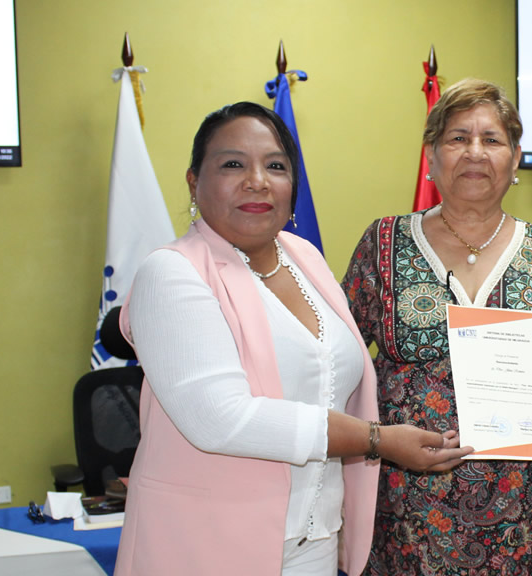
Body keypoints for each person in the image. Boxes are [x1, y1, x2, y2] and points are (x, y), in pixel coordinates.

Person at [113, 102, 470, 576]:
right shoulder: (173, 271)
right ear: (193, 182)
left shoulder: (304, 257)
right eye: (233, 164)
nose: (257, 180)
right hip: (207, 543)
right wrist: (377, 440)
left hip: (314, 541)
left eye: (275, 166)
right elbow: (220, 419)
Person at [343, 78, 532, 575]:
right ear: (431, 155)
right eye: (457, 137)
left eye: (492, 139)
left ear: (515, 159)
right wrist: (372, 437)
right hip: (410, 511)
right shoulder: (384, 243)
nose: (474, 152)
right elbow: (339, 363)